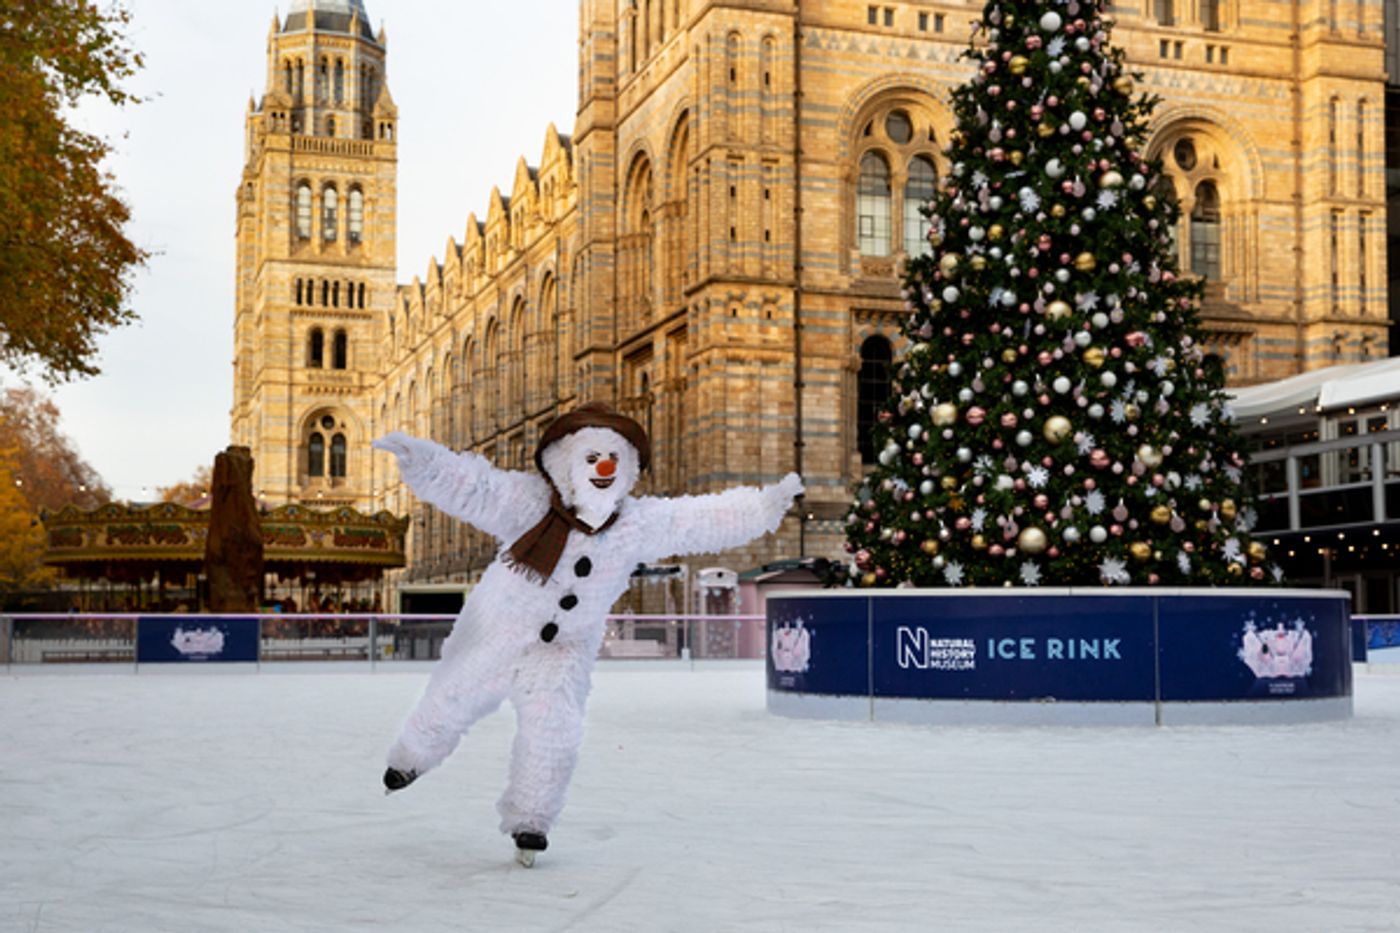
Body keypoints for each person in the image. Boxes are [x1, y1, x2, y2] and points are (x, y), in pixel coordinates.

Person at [373, 402, 801, 865]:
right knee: (454, 695)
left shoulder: (635, 525)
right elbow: (474, 486)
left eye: (613, 458)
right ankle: (411, 757)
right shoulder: (530, 502)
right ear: (565, 462)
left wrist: (763, 505)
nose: (604, 467)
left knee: (555, 728)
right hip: (500, 625)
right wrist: (421, 460)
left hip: (564, 648)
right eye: (592, 457)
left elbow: (700, 519)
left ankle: (531, 819)